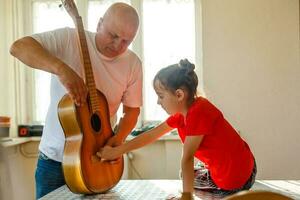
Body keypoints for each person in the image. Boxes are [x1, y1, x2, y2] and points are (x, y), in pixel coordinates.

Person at [10, 2, 142, 199]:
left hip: (97, 161)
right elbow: (18, 47)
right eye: (113, 36)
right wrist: (62, 70)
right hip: (54, 161)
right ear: (99, 24)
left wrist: (117, 140)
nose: (117, 46)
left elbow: (132, 110)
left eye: (126, 41)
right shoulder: (69, 38)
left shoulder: (133, 63)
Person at [98, 59, 256, 200]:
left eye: (161, 96)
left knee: (186, 174)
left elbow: (187, 158)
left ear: (179, 94)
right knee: (188, 174)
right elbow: (152, 135)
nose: (158, 103)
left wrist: (186, 196)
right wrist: (117, 151)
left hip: (234, 182)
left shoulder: (198, 112)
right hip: (246, 165)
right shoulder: (184, 113)